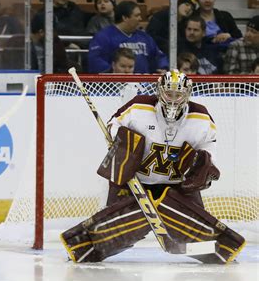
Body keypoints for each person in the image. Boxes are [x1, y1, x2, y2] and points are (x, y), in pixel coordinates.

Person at [60, 70, 245, 264]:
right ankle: (88, 245)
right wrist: (120, 140)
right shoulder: (139, 107)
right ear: (159, 91)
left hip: (177, 183)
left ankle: (215, 246)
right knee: (115, 222)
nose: (173, 99)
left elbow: (209, 147)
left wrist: (204, 162)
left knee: (193, 222)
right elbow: (113, 124)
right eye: (169, 93)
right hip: (134, 179)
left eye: (178, 94)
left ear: (187, 94)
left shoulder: (201, 118)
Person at [88, 0, 168, 73]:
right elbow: (95, 60)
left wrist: (163, 67)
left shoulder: (145, 37)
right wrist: (111, 72)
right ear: (125, 18)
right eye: (137, 15)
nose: (140, 18)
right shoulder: (104, 37)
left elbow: (159, 56)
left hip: (144, 85)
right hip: (115, 85)